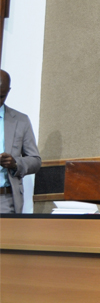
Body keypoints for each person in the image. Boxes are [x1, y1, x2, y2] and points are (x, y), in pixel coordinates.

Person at [0, 70, 41, 213]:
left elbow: (35, 160)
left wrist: (15, 163)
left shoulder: (21, 121)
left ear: (8, 91)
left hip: (4, 200)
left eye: (1, 96)